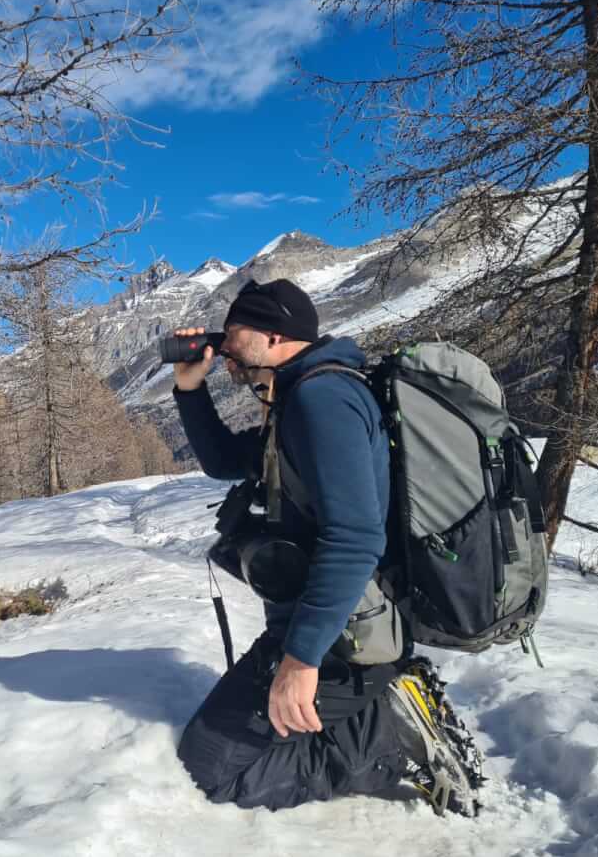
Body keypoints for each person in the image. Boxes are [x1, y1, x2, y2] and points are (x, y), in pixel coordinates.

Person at [172, 278, 477, 816]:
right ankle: (376, 705)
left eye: (233, 330)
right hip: (329, 621)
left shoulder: (322, 399)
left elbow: (356, 538)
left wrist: (300, 659)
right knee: (218, 748)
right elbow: (224, 461)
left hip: (345, 635)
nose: (222, 345)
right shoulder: (299, 393)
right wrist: (190, 389)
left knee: (212, 768)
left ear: (273, 334)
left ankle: (387, 741)